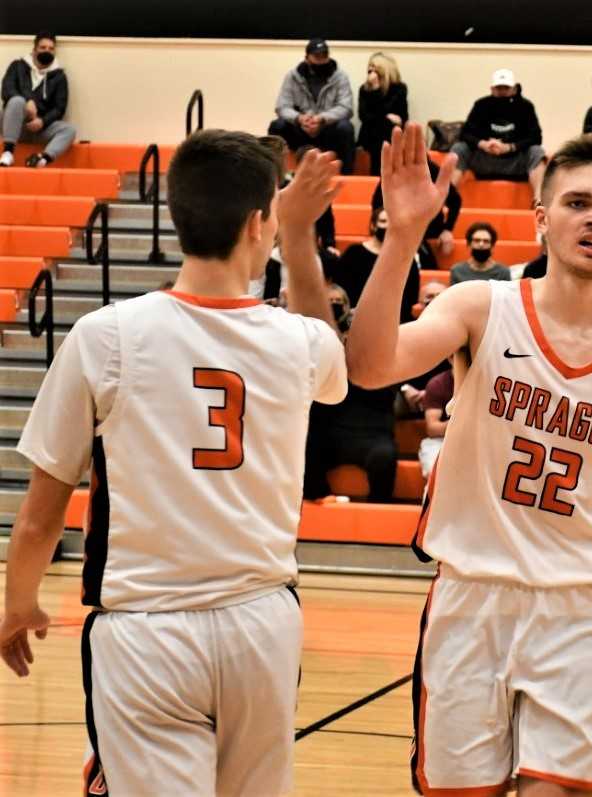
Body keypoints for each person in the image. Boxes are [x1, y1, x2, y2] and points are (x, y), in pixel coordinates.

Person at [346, 125, 592, 796]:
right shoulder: (481, 307)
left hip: (581, 606)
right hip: (471, 596)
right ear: (540, 219)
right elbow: (368, 366)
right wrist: (402, 239)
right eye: (577, 202)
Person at [0, 132, 348, 794]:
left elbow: (42, 513)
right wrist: (301, 238)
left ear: (177, 216)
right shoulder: (299, 342)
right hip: (262, 622)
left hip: (145, 629)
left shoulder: (105, 336)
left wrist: (19, 603)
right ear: (258, 225)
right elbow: (332, 356)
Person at [450, 69, 546, 204]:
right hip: (485, 161)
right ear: (492, 89)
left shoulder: (525, 107)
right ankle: (446, 196)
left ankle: (539, 201)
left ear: (514, 88)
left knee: (537, 151)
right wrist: (483, 144)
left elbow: (536, 137)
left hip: (514, 163)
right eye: (499, 88)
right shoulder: (481, 105)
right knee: (459, 148)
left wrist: (510, 147)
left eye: (506, 88)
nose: (502, 91)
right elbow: (464, 133)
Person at [268, 38, 355, 174]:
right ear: (307, 58)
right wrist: (299, 118)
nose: (321, 60)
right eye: (317, 56)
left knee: (345, 128)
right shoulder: (293, 76)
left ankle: (346, 176)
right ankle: (275, 175)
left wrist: (322, 118)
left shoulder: (340, 77)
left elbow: (346, 108)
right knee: (277, 126)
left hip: (327, 129)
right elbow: (282, 106)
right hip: (301, 129)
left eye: (324, 55)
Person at [1, 32, 76, 168]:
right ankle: (8, 152)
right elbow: (7, 90)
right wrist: (27, 100)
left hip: (39, 129)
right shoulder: (17, 66)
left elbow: (59, 108)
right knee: (17, 100)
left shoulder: (59, 77)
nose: (47, 51)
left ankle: (42, 159)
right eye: (43, 47)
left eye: (51, 48)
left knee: (69, 130)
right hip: (12, 124)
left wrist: (42, 121)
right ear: (34, 49)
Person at [334, 206, 419, 320]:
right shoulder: (354, 253)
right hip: (357, 317)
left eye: (392, 222)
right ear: (373, 226)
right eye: (383, 221)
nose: (388, 226)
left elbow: (411, 297)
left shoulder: (405, 258)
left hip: (394, 319)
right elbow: (341, 287)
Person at [373, 159, 462, 257]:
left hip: (428, 229)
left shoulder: (432, 169)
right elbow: (377, 203)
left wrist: (447, 229)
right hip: (399, 229)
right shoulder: (394, 170)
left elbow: (455, 199)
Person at [357, 52, 408, 177]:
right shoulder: (365, 89)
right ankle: (378, 176)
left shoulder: (399, 89)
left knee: (385, 128)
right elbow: (364, 117)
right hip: (371, 134)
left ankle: (383, 176)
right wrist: (375, 89)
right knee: (379, 128)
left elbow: (402, 118)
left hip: (390, 133)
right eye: (370, 68)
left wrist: (380, 117)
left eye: (375, 68)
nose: (371, 71)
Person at [418, 365, 454, 478]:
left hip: (475, 439)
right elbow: (432, 429)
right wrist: (461, 423)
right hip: (440, 440)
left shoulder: (485, 382)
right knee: (433, 468)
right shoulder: (438, 384)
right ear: (450, 358)